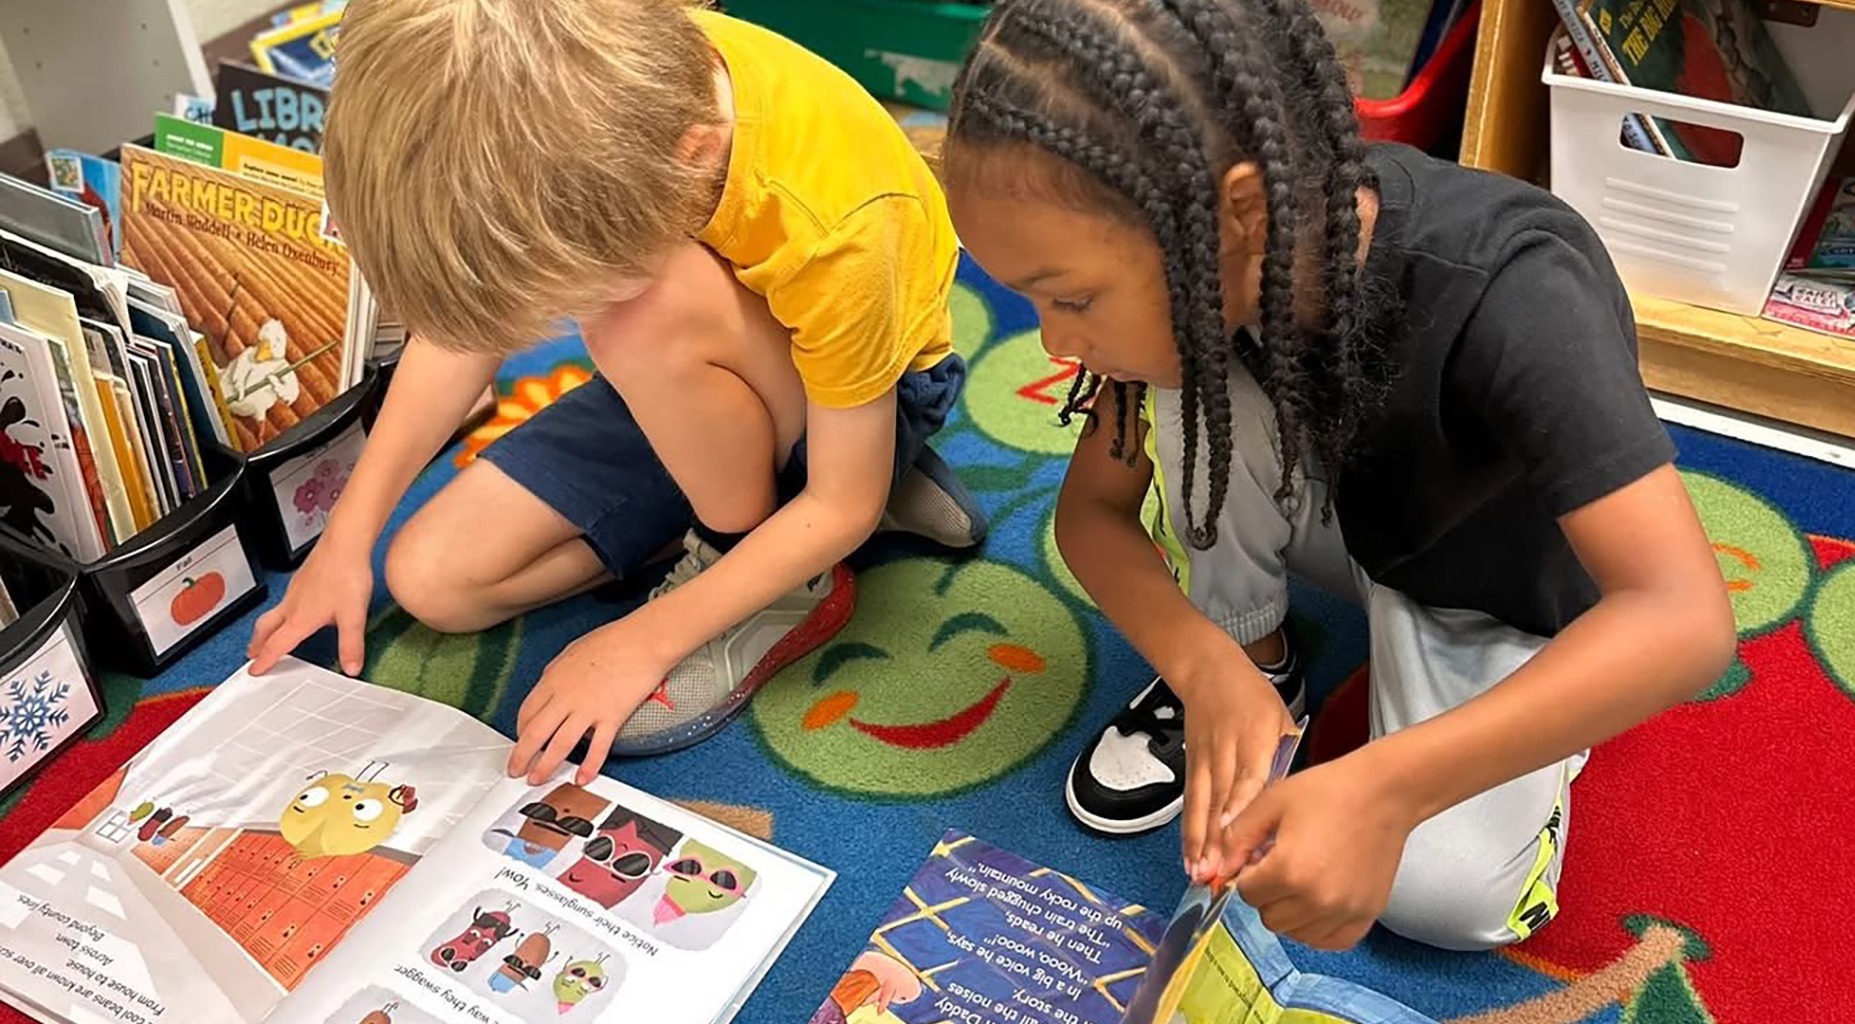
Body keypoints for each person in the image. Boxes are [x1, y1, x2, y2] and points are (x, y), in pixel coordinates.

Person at [941, 0, 1735, 952]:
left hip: (1493, 598)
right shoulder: (1201, 264)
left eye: (1069, 297)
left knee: (1444, 901)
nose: (1055, 340)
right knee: (1194, 379)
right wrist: (1207, 665)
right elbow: (1093, 518)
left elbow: (1685, 620)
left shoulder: (1514, 289)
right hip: (1347, 519)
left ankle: (1544, 737)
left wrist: (1386, 786)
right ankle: (1266, 660)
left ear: (1239, 210)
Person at [246, 0, 986, 787]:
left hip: (871, 386)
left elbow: (841, 506)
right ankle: (770, 515)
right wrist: (347, 538)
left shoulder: (836, 230)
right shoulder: (584, 117)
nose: (548, 321)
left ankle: (770, 561)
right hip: (684, 370)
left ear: (692, 159)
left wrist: (649, 637)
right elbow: (467, 327)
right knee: (435, 580)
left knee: (638, 317)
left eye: (555, 296)